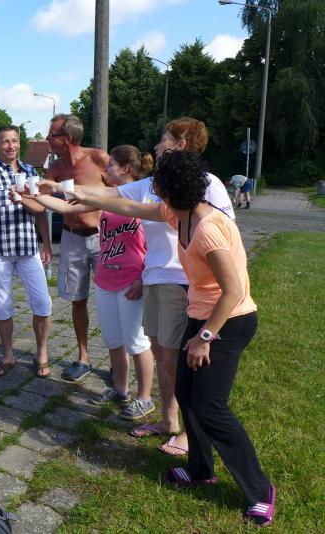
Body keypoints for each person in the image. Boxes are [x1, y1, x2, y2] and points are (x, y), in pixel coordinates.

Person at [67, 149, 275, 527]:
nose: (153, 187)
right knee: (187, 396)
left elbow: (232, 291)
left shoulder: (208, 228)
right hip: (202, 317)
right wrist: (75, 192)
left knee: (211, 407)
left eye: (158, 182)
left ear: (168, 188)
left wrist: (205, 337)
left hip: (229, 322)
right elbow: (126, 206)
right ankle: (199, 469)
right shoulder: (177, 214)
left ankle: (261, 491)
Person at [61, 118, 234, 457]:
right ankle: (169, 420)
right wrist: (62, 189)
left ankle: (190, 432)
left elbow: (224, 233)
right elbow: (114, 197)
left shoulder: (208, 183)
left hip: (180, 281)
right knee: (163, 357)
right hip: (155, 277)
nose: (156, 146)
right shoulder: (156, 184)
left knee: (178, 360)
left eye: (163, 139)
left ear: (180, 143)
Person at [28, 145, 156, 420]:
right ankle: (120, 389)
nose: (106, 169)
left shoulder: (144, 198)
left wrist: (142, 278)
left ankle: (145, 398)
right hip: (106, 279)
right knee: (113, 339)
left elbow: (155, 244)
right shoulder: (109, 196)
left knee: (136, 341)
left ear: (125, 169)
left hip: (131, 280)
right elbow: (66, 205)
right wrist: (36, 195)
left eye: (111, 165)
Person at [0, 126, 53, 378]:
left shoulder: (30, 172)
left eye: (15, 141)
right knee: (1, 305)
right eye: (5, 142)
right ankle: (8, 355)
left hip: (28, 248)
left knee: (43, 302)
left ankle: (41, 353)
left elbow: (40, 210)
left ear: (20, 144)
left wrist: (47, 245)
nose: (10, 146)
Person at [44, 114, 108, 383]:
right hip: (71, 239)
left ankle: (119, 358)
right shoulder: (55, 167)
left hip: (102, 237)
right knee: (77, 299)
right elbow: (41, 200)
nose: (47, 139)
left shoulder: (98, 158)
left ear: (67, 137)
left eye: (52, 135)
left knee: (111, 298)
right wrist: (23, 196)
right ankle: (83, 357)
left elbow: (124, 193)